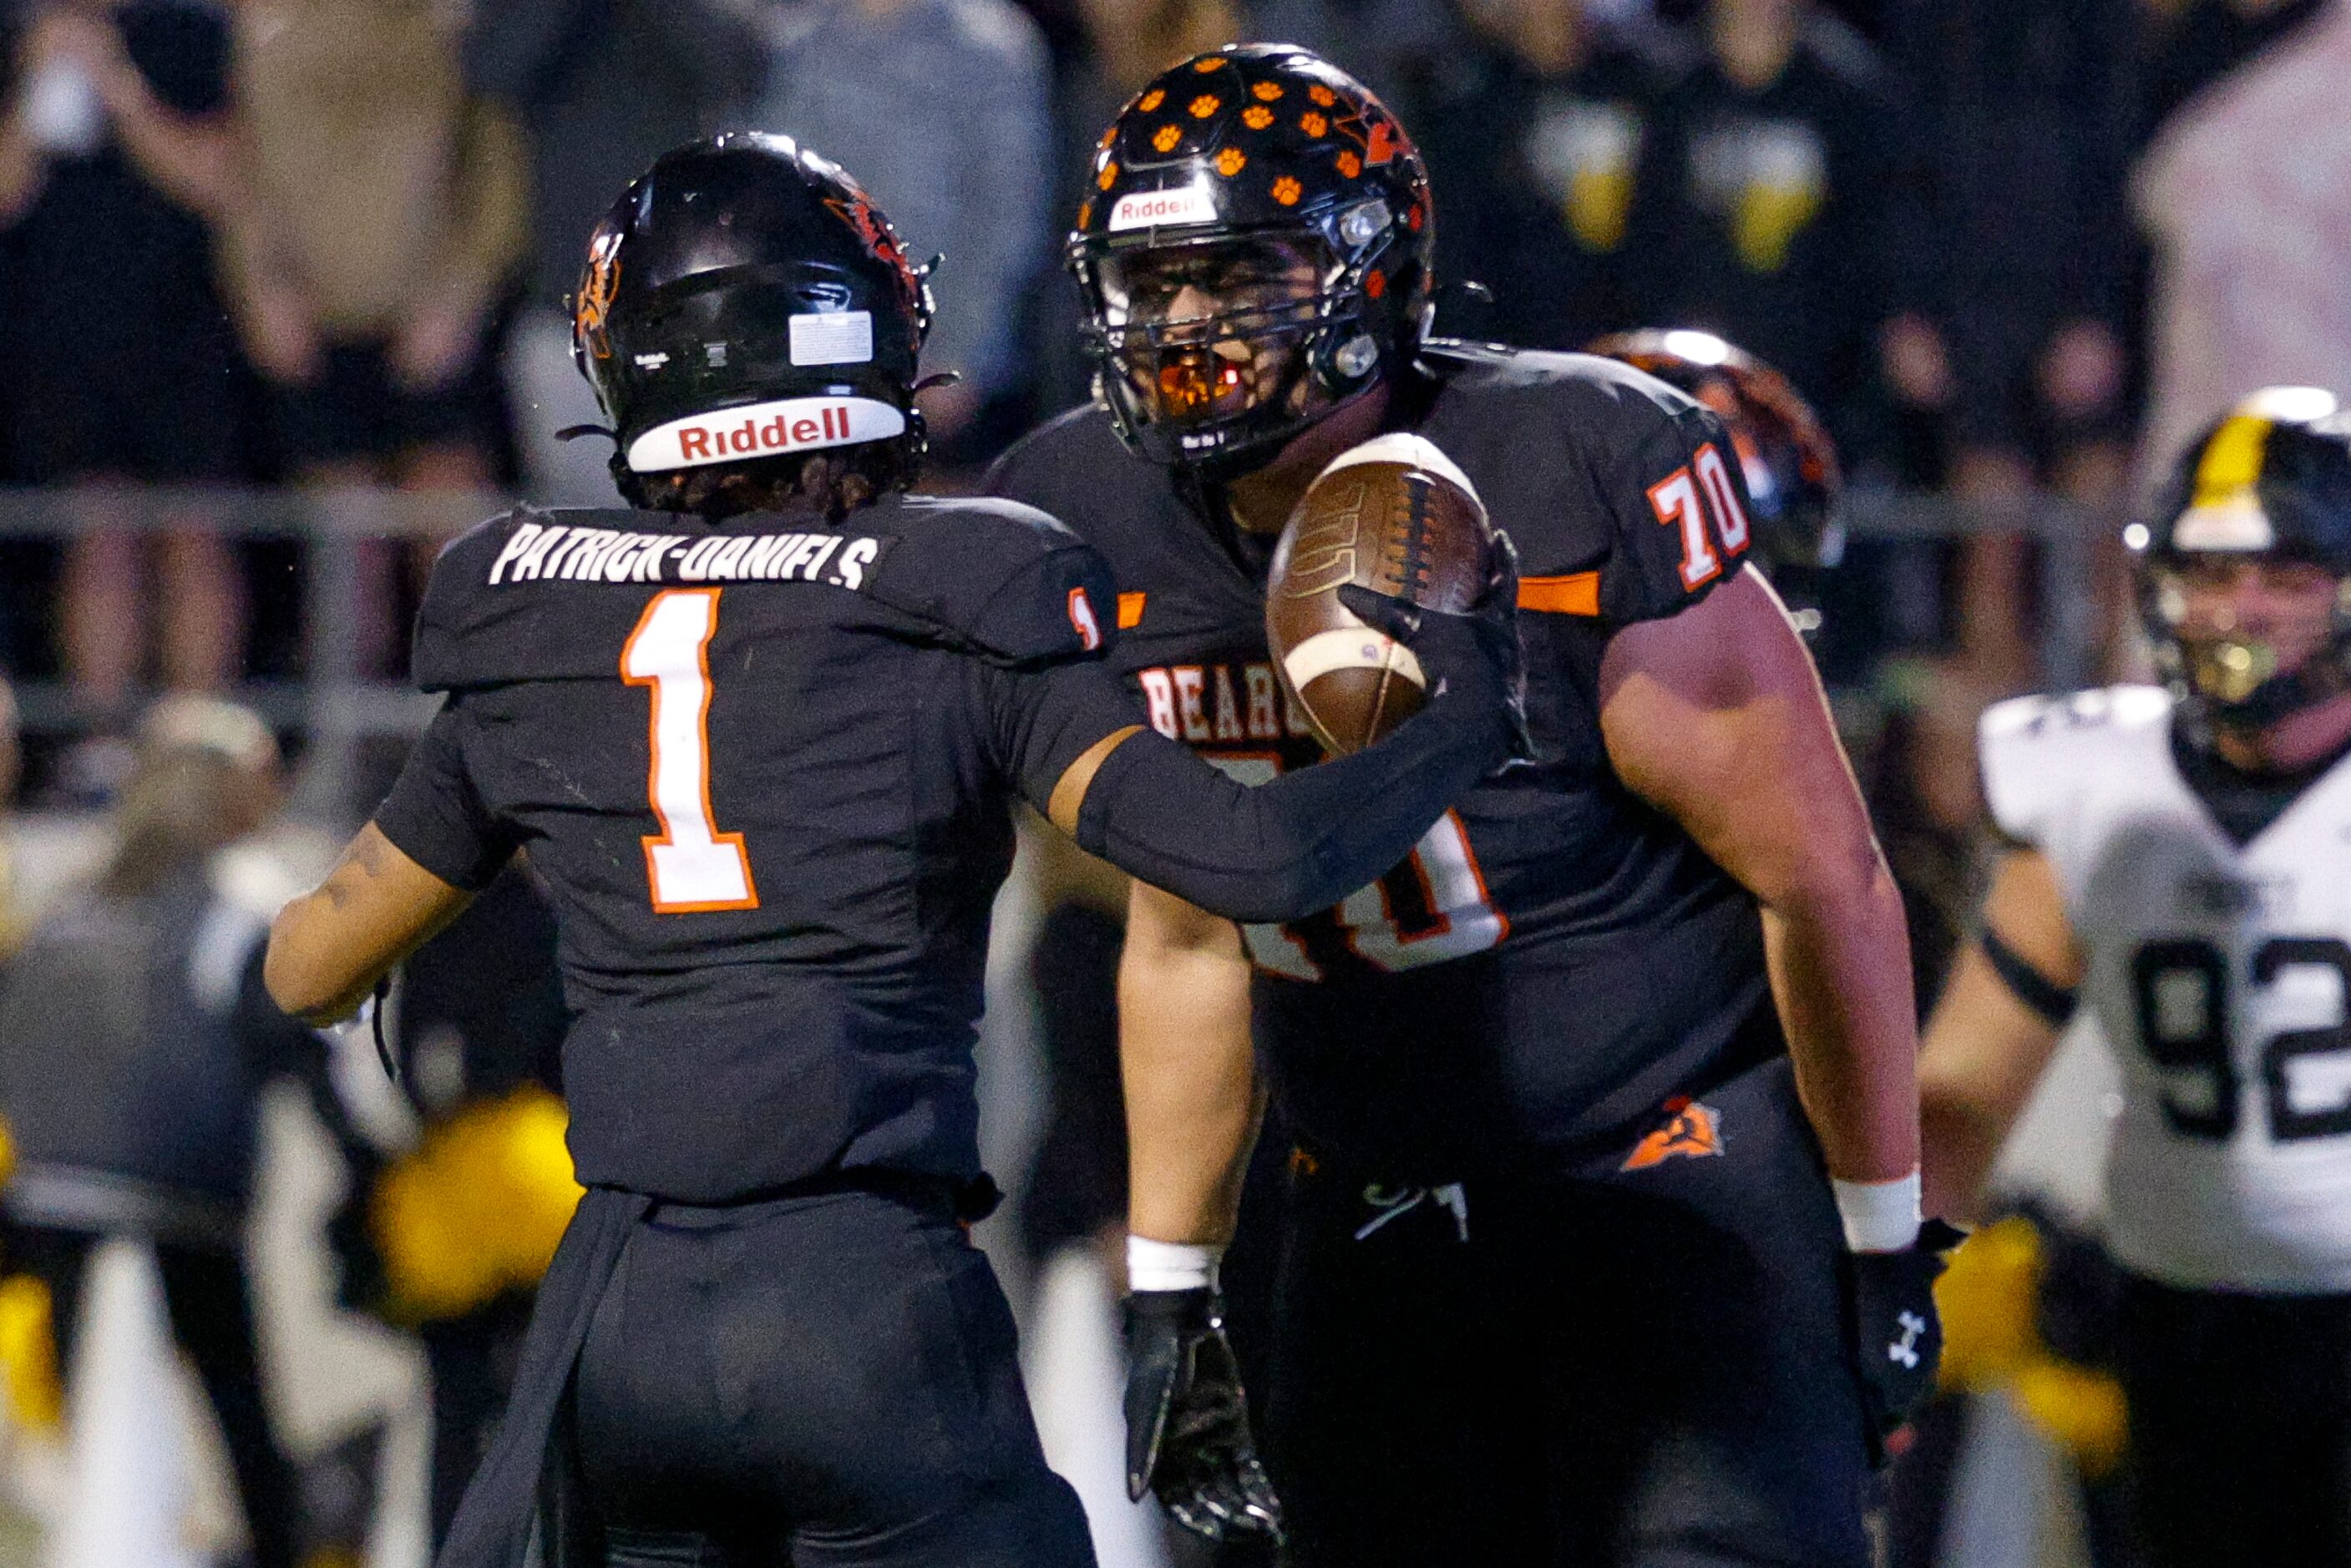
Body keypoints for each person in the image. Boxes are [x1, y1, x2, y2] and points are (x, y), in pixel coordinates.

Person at [261, 133, 1523, 1568]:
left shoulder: (528, 603)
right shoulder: (961, 580)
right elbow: (1251, 858)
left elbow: (309, 962)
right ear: (842, 335)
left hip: (616, 1322)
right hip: (862, 1302)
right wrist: (1459, 714)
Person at [987, 43, 1946, 1565]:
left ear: (1369, 271)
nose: (1186, 329)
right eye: (1152, 281)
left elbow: (1823, 874)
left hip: (1663, 1174)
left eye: (1239, 275)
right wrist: (1174, 1286)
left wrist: (1882, 1228)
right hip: (1370, 1202)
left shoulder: (1570, 460)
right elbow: (1184, 933)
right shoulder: (1087, 513)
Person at [1919, 385, 2351, 1568]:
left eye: (2280, 576)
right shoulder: (2095, 782)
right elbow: (1959, 1084)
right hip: (2180, 1317)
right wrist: (1879, 1267)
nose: (2235, 611)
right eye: (2207, 576)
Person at [0, 695, 306, 1568]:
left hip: (52, 1209)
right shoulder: (246, 902)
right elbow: (307, 1050)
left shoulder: (69, 901)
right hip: (187, 1210)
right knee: (241, 1424)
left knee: (84, 1435)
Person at [0, 0, 256, 711]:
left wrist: (118, 85)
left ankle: (197, 739)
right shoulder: (21, 37)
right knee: (96, 532)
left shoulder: (190, 32)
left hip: (188, 324)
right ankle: (102, 741)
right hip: (60, 331)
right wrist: (34, 87)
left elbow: (215, 181)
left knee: (194, 530)